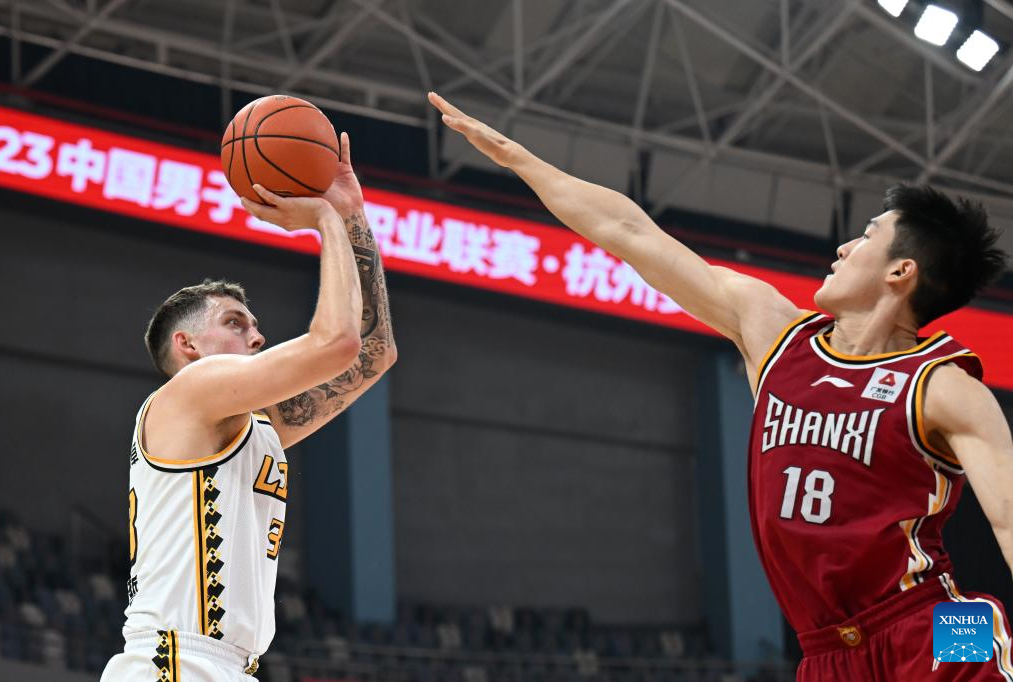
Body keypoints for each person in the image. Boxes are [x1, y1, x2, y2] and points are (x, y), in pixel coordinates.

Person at [429, 91, 1013, 680]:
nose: (843, 247)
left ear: (900, 272)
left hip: (930, 624)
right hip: (825, 653)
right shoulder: (774, 334)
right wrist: (519, 159)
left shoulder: (943, 386)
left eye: (866, 235)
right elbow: (628, 231)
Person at [101, 132, 396, 681]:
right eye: (235, 323)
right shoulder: (191, 390)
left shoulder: (252, 426)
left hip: (225, 666)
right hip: (174, 663)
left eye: (256, 325)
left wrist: (354, 214)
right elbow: (338, 344)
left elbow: (375, 353)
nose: (257, 336)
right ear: (187, 346)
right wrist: (326, 222)